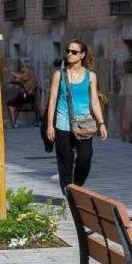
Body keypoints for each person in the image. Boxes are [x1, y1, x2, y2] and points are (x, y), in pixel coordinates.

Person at [47, 39, 107, 193]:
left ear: (82, 55)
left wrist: (101, 123)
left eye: (74, 52)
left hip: (84, 123)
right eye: (68, 51)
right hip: (62, 124)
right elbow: (52, 100)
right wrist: (49, 126)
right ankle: (69, 192)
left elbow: (94, 100)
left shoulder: (90, 76)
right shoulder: (59, 75)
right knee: (65, 162)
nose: (69, 54)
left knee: (86, 157)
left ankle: (77, 186)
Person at [7, 59, 38, 128]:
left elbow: (20, 77)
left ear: (26, 66)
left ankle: (13, 122)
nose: (21, 68)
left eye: (22, 66)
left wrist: (10, 71)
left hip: (27, 95)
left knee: (10, 103)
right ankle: (13, 122)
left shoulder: (28, 73)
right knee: (18, 105)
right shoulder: (30, 73)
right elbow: (18, 79)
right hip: (30, 95)